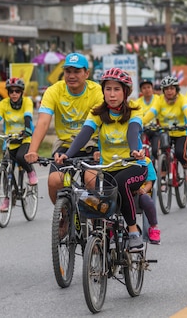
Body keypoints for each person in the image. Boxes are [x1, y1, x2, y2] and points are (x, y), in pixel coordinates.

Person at [55, 68, 149, 252]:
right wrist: (68, 154)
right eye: (108, 89)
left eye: (117, 89)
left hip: (134, 165)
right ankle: (108, 236)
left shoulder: (135, 110)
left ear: (125, 92)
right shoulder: (97, 113)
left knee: (121, 184)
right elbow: (85, 134)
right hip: (108, 168)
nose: (112, 94)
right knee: (101, 200)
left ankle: (132, 232)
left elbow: (133, 131)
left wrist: (134, 151)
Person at [24, 53, 103, 204]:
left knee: (90, 180)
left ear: (87, 73)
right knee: (54, 181)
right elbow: (43, 123)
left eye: (76, 71)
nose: (71, 76)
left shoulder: (97, 91)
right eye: (68, 71)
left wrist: (102, 149)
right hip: (65, 146)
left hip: (92, 145)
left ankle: (95, 223)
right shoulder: (54, 91)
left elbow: (103, 124)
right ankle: (63, 216)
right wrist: (32, 150)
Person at [0, 77, 37, 213]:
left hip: (24, 139)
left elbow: (28, 118)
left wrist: (27, 130)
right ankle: (7, 199)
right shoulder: (3, 104)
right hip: (10, 141)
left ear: (22, 92)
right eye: (11, 91)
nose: (14, 94)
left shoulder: (27, 102)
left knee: (22, 157)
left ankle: (30, 172)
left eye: (17, 91)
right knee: (4, 168)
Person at [143, 76, 187, 183]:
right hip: (165, 132)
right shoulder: (160, 100)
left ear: (176, 89)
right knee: (161, 153)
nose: (169, 91)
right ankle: (162, 177)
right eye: (166, 89)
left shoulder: (182, 99)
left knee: (180, 153)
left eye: (172, 88)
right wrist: (140, 123)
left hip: (181, 133)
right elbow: (151, 113)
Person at [132, 79, 161, 158]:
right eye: (144, 88)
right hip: (143, 130)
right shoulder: (137, 103)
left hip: (156, 129)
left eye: (149, 87)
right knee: (141, 149)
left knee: (155, 151)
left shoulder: (158, 99)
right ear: (141, 90)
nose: (147, 90)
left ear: (152, 89)